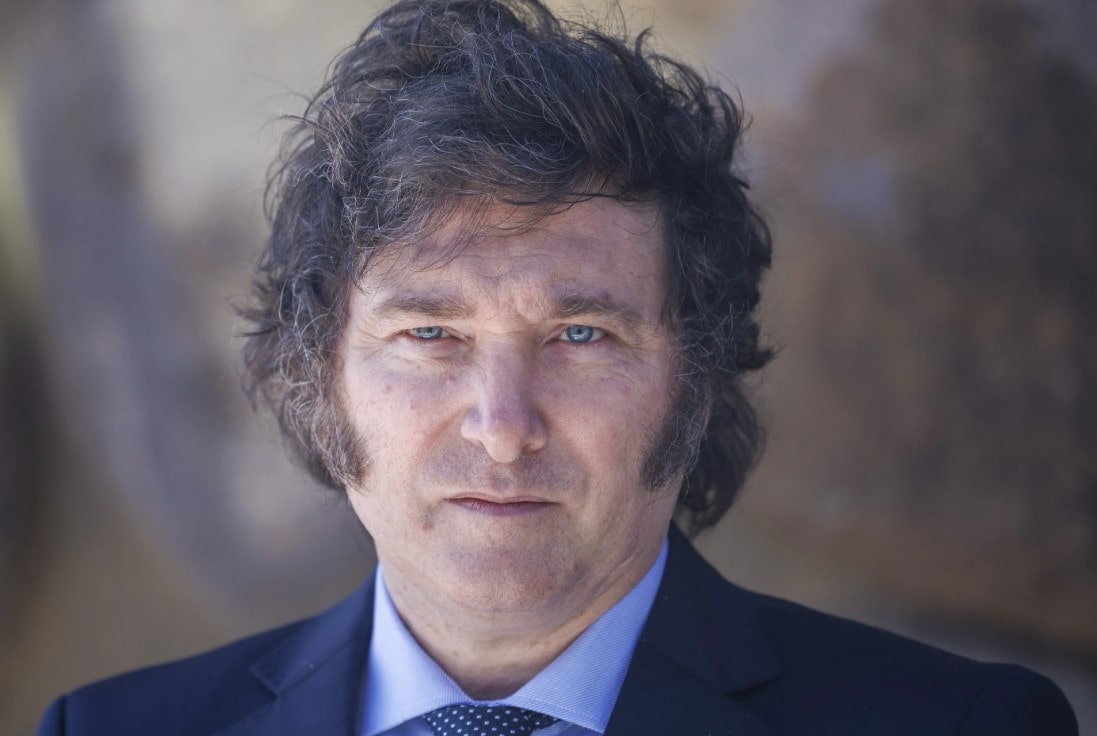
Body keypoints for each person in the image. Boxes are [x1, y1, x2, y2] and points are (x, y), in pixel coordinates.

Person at [38, 0, 1077, 734]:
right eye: (430, 334)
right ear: (320, 379)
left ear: (695, 383)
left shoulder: (955, 724)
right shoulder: (108, 730)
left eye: (581, 336)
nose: (501, 425)